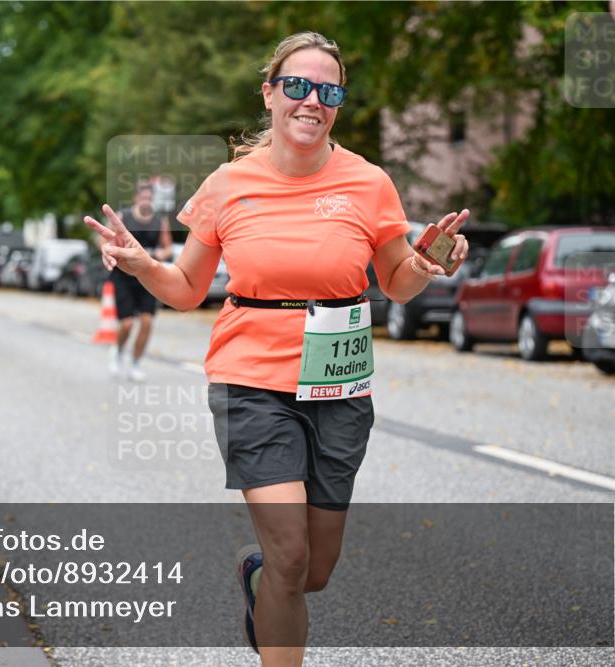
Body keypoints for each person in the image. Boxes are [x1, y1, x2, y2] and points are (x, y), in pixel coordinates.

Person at [86, 31, 469, 666]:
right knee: (291, 554)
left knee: (311, 570)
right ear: (270, 95)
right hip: (251, 381)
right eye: (297, 86)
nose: (311, 100)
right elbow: (185, 289)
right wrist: (141, 265)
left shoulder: (369, 183)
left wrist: (429, 261)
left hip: (339, 389)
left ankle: (257, 580)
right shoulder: (228, 184)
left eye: (328, 90)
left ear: (338, 103)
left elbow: (398, 284)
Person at [102, 183, 172, 381]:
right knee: (126, 324)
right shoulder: (123, 216)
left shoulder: (160, 221)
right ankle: (118, 350)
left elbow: (167, 248)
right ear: (136, 198)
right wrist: (110, 251)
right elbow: (106, 240)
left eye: (149, 198)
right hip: (123, 276)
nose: (146, 201)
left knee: (147, 321)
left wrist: (160, 253)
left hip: (147, 275)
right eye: (143, 197)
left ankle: (135, 363)